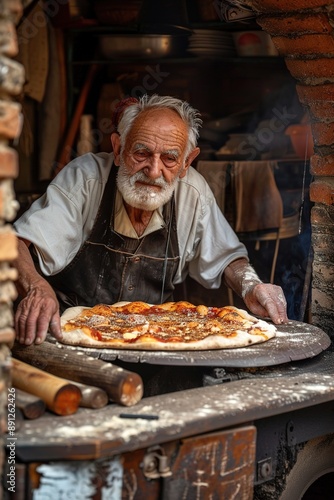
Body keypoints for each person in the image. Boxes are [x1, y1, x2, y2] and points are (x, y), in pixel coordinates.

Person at [14, 94, 288, 346]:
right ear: (119, 149)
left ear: (186, 163)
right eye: (142, 153)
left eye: (169, 158)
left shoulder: (193, 193)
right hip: (69, 333)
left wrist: (251, 285)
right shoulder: (86, 178)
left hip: (160, 336)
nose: (154, 171)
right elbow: (13, 244)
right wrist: (36, 287)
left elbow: (226, 257)